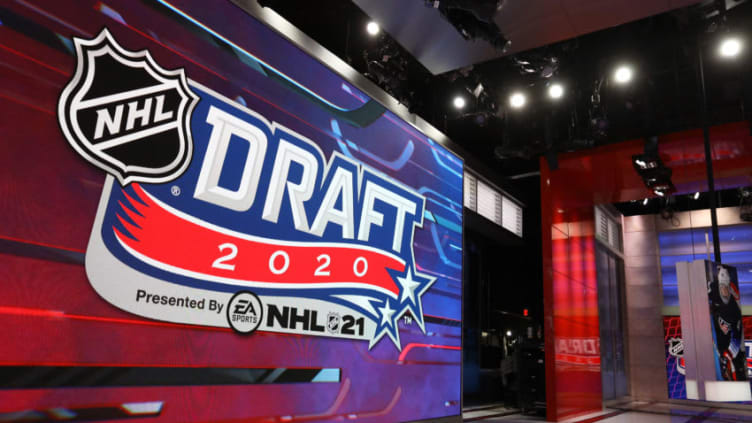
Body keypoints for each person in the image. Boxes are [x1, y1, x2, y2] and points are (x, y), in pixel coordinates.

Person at [709, 265, 746, 381]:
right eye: (722, 287)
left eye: (726, 287)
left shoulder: (734, 309)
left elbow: (737, 334)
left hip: (729, 347)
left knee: (735, 367)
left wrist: (729, 354)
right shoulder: (714, 293)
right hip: (718, 345)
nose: (724, 290)